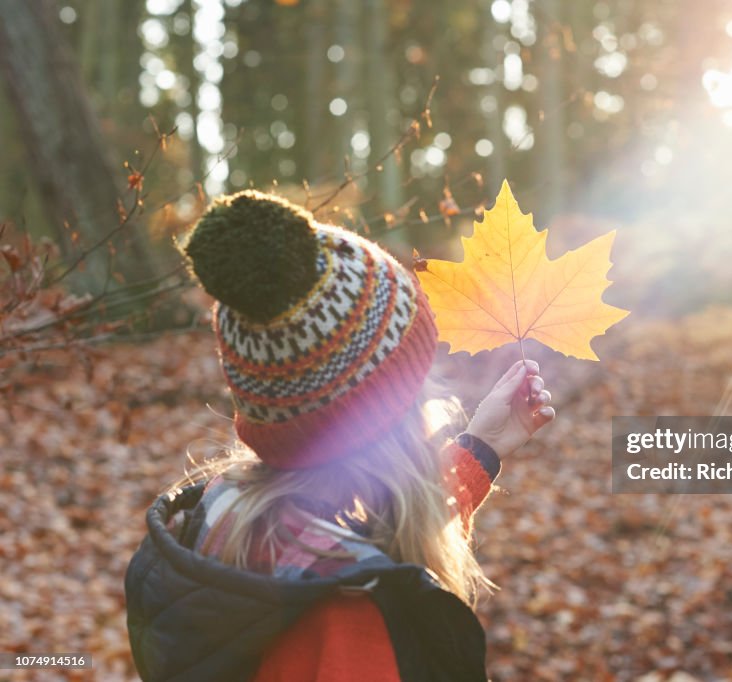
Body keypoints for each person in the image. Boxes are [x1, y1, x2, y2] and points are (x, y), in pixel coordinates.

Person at [124, 191, 555, 682]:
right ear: (382, 417)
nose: (434, 387)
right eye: (418, 373)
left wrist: (481, 448)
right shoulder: (346, 626)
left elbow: (364, 541)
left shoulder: (227, 520)